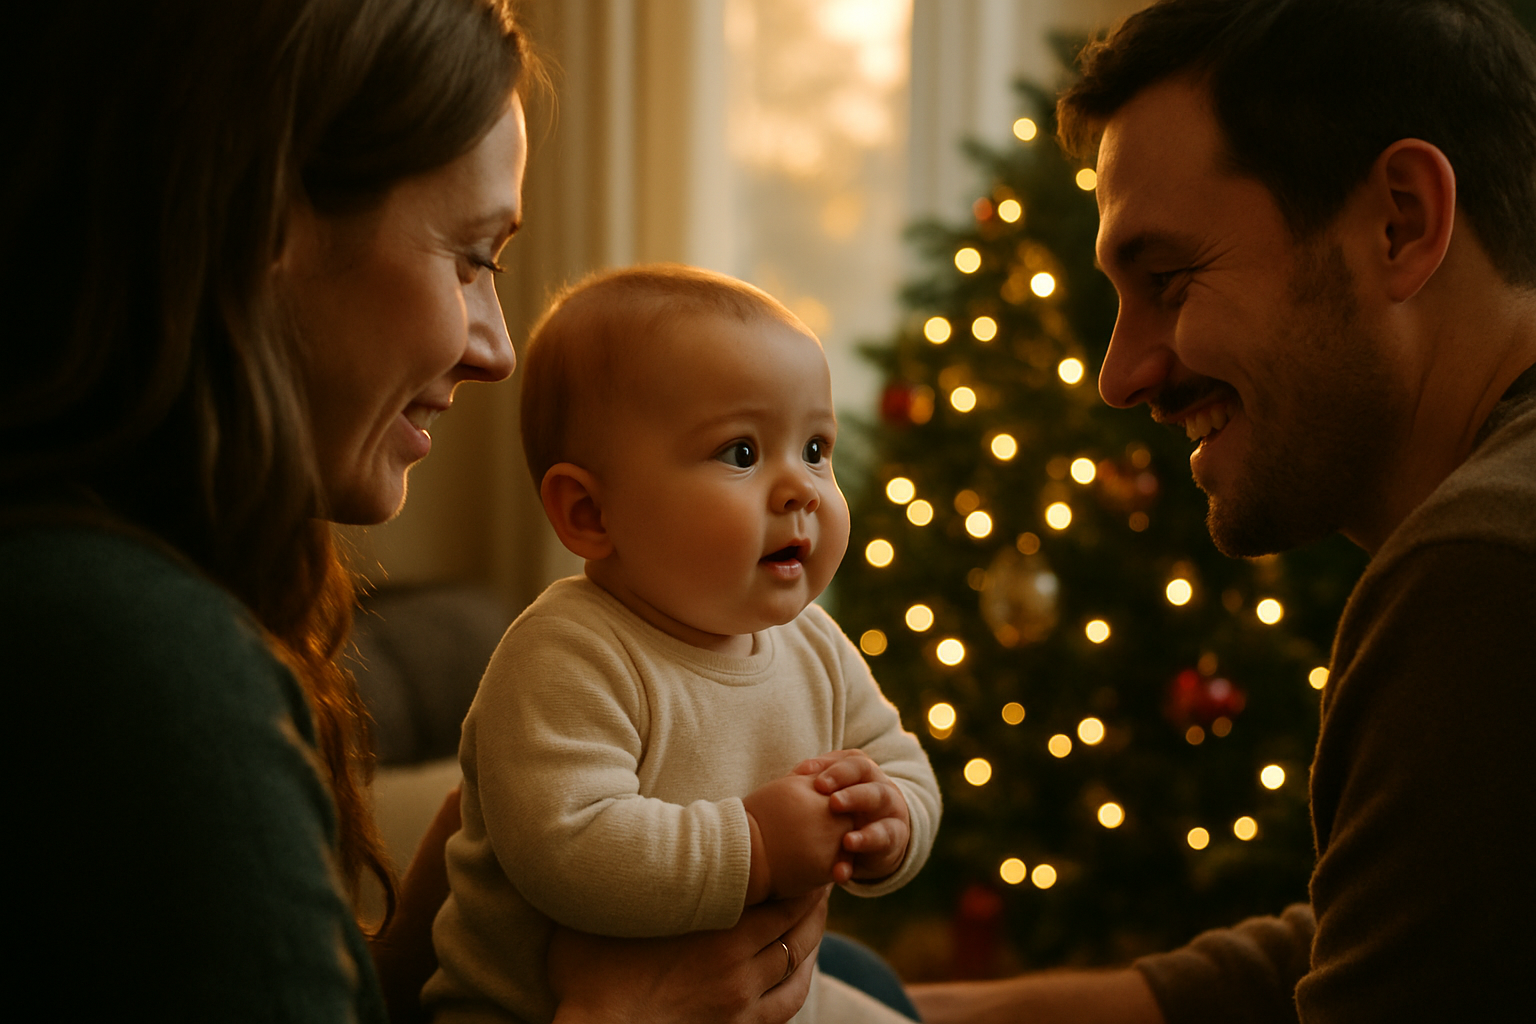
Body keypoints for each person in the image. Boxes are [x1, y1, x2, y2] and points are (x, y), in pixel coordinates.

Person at [4, 3, 828, 1022]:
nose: (498, 350)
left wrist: (425, 932)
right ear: (267, 224)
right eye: (473, 257)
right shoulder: (130, 655)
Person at [909, 0, 1536, 1021]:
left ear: (1402, 221)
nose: (1121, 375)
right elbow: (1408, 933)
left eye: (1170, 279)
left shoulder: (1485, 572)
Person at [425, 266, 942, 1024]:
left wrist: (891, 819)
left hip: (757, 989)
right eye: (741, 453)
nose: (802, 488)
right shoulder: (568, 653)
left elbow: (900, 763)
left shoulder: (813, 644)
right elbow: (567, 845)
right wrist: (756, 845)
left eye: (815, 448)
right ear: (590, 513)